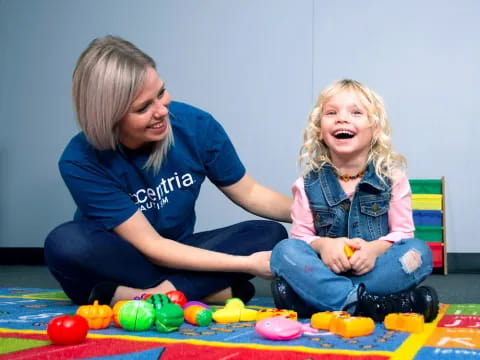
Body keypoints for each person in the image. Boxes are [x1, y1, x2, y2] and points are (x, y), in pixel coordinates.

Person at [44, 35, 291, 306]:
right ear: (109, 116)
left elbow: (251, 192)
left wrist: (321, 211)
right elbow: (152, 246)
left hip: (180, 249)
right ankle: (187, 289)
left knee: (269, 234)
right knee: (65, 243)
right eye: (143, 107)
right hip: (124, 257)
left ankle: (126, 295)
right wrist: (246, 264)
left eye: (161, 93)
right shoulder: (79, 160)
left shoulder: (196, 125)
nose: (162, 111)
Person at [270, 79, 439, 322]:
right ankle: (373, 305)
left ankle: (321, 299)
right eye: (331, 113)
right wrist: (325, 246)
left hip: (375, 270)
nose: (341, 118)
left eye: (356, 112)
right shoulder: (306, 185)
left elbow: (402, 234)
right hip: (326, 270)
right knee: (283, 251)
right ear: (319, 130)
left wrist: (372, 250)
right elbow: (301, 237)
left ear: (375, 130)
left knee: (418, 253)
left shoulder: (393, 180)